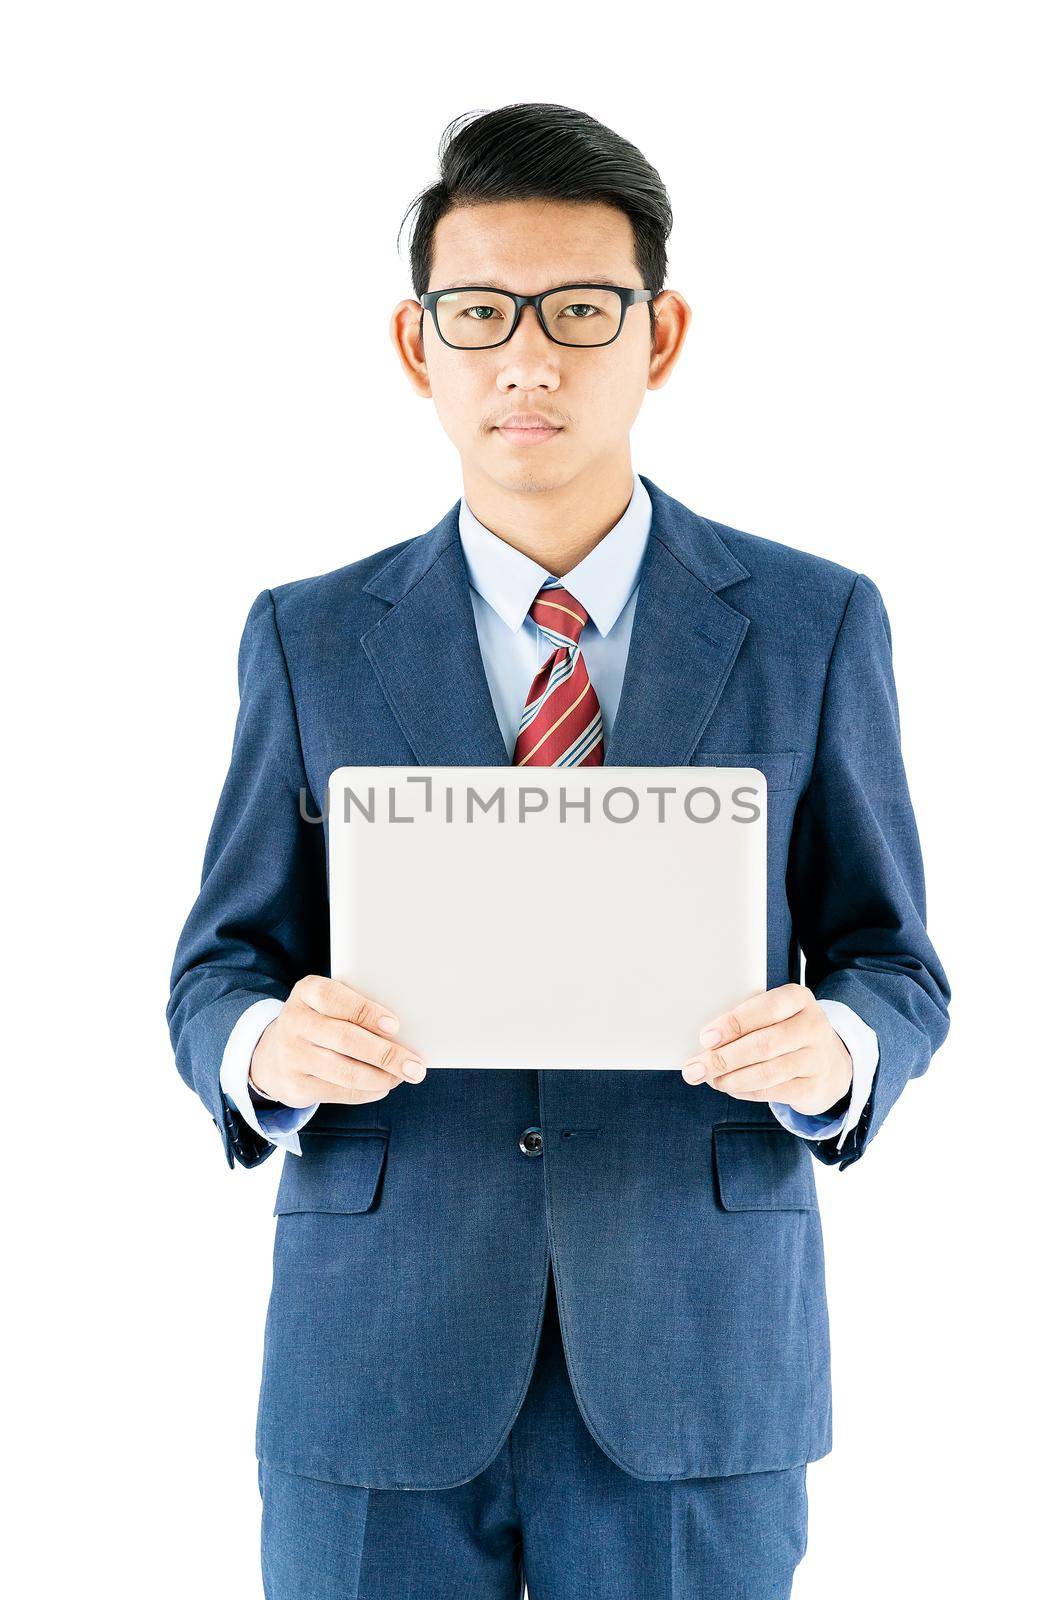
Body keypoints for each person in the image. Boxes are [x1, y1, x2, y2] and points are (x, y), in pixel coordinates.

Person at [167, 101, 951, 1600]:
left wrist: (837, 1047)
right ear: (421, 348)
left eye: (581, 312)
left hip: (695, 1356)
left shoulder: (814, 621)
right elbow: (220, 964)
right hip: (375, 1358)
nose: (529, 356)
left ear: (658, 338)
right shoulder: (309, 634)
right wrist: (266, 1043)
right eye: (483, 314)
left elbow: (892, 960)